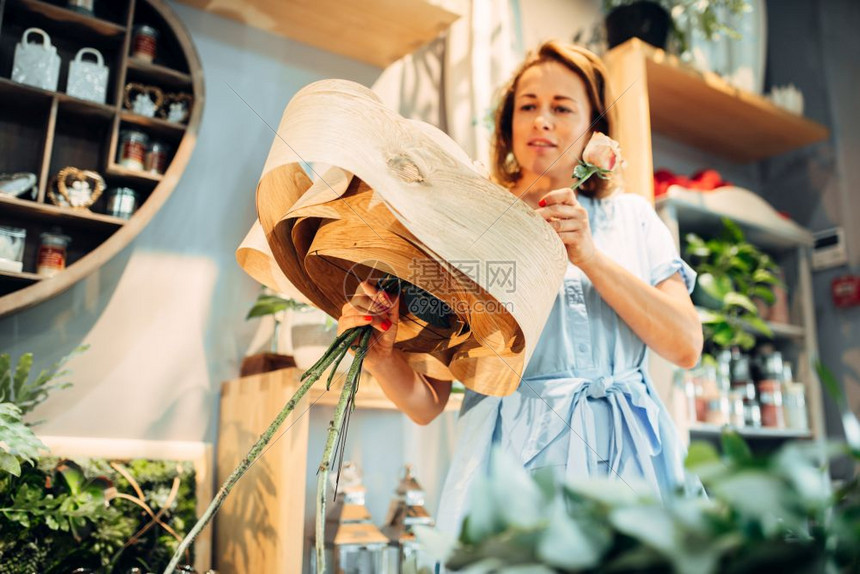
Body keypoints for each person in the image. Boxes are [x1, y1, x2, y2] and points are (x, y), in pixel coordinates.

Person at [335, 40, 703, 534]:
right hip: (509, 467)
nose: (542, 120)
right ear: (507, 127)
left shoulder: (634, 218)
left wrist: (589, 257)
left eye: (561, 107)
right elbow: (428, 405)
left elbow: (685, 345)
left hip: (629, 459)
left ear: (596, 126)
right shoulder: (467, 230)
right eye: (528, 106)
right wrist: (382, 357)